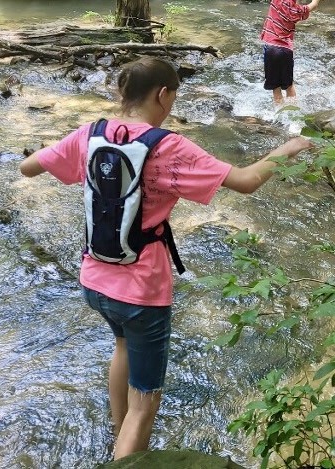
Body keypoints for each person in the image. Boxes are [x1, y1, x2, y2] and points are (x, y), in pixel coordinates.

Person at [19, 56, 313, 461]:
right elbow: (245, 181)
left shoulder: (92, 134)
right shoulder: (168, 146)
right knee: (145, 405)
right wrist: (290, 147)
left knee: (121, 346)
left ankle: (116, 434)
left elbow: (27, 167)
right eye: (173, 96)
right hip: (141, 292)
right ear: (162, 94)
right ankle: (126, 456)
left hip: (94, 281)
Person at [260, 0, 322, 105]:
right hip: (285, 51)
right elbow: (314, 5)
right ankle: (293, 111)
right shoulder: (297, 10)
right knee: (289, 85)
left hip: (270, 49)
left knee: (276, 87)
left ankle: (279, 113)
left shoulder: (276, 1)